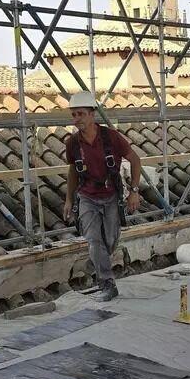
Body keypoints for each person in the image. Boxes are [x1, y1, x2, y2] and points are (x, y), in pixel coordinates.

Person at [62, 92, 142, 301]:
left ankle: (97, 261)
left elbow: (135, 160)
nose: (76, 118)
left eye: (80, 114)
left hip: (111, 195)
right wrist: (69, 199)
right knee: (94, 240)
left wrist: (134, 191)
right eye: (73, 115)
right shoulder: (72, 143)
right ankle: (107, 283)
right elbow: (73, 171)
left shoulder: (111, 138)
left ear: (92, 114)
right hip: (87, 196)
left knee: (110, 239)